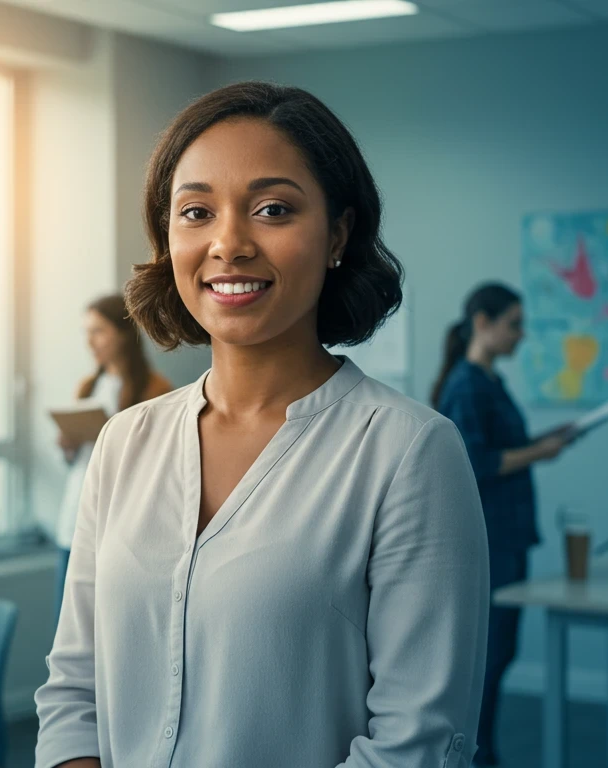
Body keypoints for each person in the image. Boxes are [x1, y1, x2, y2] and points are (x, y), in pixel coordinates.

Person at [34, 81, 491, 768]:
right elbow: (73, 691)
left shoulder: (408, 452)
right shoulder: (126, 441)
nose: (229, 243)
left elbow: (416, 746)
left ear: (337, 234)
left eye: (273, 209)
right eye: (195, 212)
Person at [430, 282, 576, 767]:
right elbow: (479, 461)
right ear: (483, 324)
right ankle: (477, 755)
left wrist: (543, 441)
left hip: (509, 535)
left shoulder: (489, 382)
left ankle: (482, 751)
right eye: (514, 323)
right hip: (489, 538)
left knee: (501, 652)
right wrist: (541, 452)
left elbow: (500, 447)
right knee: (488, 658)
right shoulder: (467, 385)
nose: (521, 334)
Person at [48, 294, 172, 617]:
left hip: (124, 523)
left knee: (114, 621)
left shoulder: (156, 390)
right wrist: (69, 444)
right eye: (87, 332)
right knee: (71, 622)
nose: (91, 341)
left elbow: (159, 467)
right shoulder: (87, 386)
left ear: (124, 333)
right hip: (76, 513)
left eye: (99, 331)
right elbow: (76, 464)